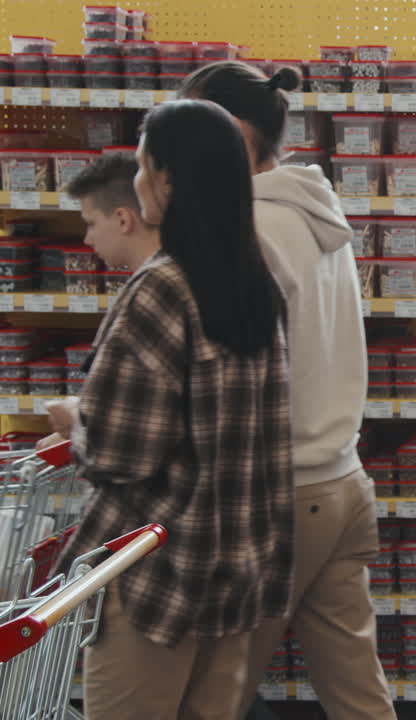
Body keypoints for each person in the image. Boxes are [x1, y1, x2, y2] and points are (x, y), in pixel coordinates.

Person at [44, 100, 295, 720]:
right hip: (236, 570)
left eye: (141, 166)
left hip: (158, 578)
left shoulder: (161, 287)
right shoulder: (256, 283)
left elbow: (121, 452)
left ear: (168, 181)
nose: (135, 180)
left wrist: (77, 422)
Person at [179, 63, 392, 720]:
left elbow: (223, 374)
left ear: (233, 135)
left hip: (280, 498)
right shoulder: (318, 215)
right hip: (342, 483)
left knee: (212, 696)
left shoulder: (250, 234)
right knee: (359, 696)